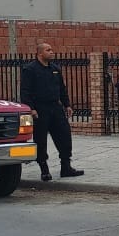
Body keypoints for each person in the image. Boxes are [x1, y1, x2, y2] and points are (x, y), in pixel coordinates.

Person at [19, 42, 85, 181]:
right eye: (48, 50)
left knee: (64, 135)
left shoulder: (55, 69)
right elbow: (25, 92)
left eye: (52, 49)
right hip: (40, 109)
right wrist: (31, 108)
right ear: (40, 53)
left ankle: (66, 167)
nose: (52, 52)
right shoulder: (30, 70)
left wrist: (67, 104)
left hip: (55, 107)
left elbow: (62, 88)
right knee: (41, 139)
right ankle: (44, 169)